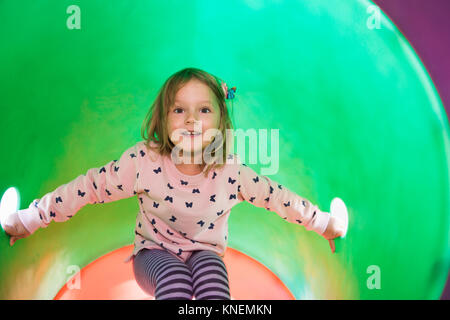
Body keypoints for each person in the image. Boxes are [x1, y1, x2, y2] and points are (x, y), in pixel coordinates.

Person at [3, 67, 344, 300]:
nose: (192, 119)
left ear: (221, 121)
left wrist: (325, 224)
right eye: (179, 110)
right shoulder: (144, 162)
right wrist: (28, 219)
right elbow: (88, 188)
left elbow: (279, 199)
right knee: (176, 281)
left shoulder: (231, 172)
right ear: (162, 119)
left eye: (204, 110)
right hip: (153, 254)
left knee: (213, 282)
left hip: (205, 253)